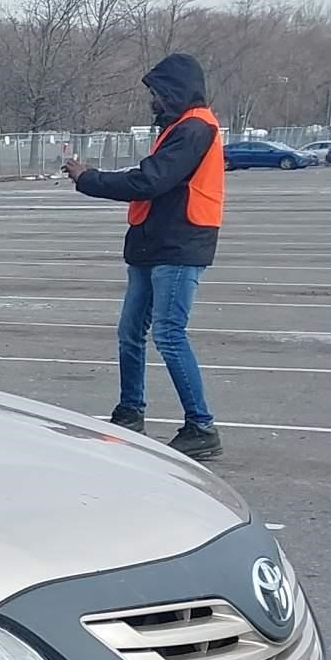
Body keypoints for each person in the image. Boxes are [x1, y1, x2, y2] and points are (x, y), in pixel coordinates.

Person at [64, 51, 225, 461]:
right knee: (130, 331)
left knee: (170, 334)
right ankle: (130, 411)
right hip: (153, 244)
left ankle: (201, 426)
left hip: (179, 246)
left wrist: (89, 179)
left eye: (155, 91)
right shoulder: (177, 127)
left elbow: (151, 179)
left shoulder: (194, 128)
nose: (151, 99)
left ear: (173, 91)